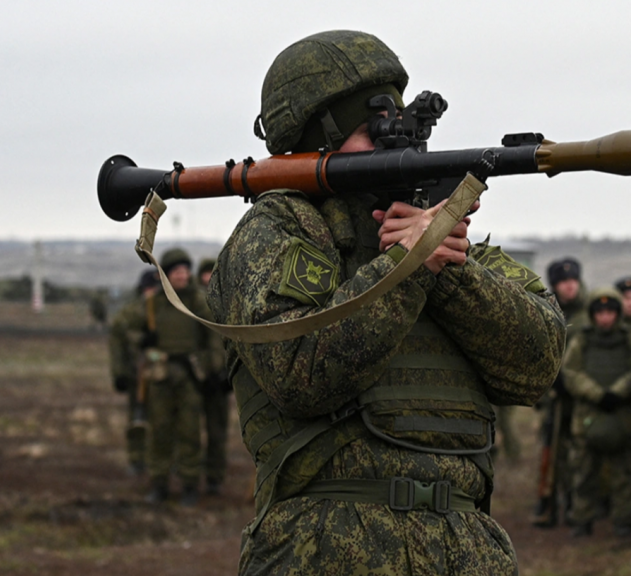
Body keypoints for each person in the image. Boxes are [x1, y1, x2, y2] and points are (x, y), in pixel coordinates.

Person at [206, 30, 566, 575]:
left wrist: (445, 267)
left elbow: (536, 364)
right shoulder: (280, 229)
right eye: (371, 130)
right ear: (316, 139)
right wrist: (408, 266)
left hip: (467, 549)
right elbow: (299, 370)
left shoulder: (444, 238)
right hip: (326, 547)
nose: (393, 144)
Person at [119, 249, 222, 506]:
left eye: (186, 270)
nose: (183, 275)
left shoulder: (198, 302)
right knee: (160, 432)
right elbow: (126, 328)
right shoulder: (152, 304)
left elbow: (215, 336)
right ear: (165, 274)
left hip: (189, 376)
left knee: (190, 433)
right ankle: (159, 483)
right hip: (160, 377)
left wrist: (214, 368)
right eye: (177, 271)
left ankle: (189, 484)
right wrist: (143, 339)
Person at [563, 289, 631, 537]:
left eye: (610, 312)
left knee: (623, 475)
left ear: (617, 314)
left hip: (621, 417)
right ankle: (582, 520)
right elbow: (571, 373)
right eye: (600, 312)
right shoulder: (582, 341)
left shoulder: (630, 341)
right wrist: (598, 394)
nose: (605, 318)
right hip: (588, 417)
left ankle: (623, 521)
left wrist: (617, 392)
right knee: (584, 474)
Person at [531, 257, 588, 527]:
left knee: (578, 454)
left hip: (581, 397)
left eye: (573, 280)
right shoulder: (546, 312)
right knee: (549, 450)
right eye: (563, 282)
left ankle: (577, 506)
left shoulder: (589, 316)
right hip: (553, 396)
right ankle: (548, 503)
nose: (569, 286)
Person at [109, 270, 161, 477]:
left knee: (163, 420)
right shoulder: (128, 314)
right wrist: (119, 374)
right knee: (136, 419)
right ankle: (137, 459)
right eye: (149, 288)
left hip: (160, 375)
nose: (151, 293)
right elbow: (117, 346)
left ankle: (161, 460)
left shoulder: (167, 311)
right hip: (135, 375)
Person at [196, 257, 231, 495]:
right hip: (196, 377)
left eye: (212, 273)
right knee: (187, 430)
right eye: (205, 274)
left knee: (217, 432)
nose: (208, 278)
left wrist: (227, 373)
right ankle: (188, 475)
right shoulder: (191, 303)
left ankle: (214, 478)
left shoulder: (229, 301)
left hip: (221, 378)